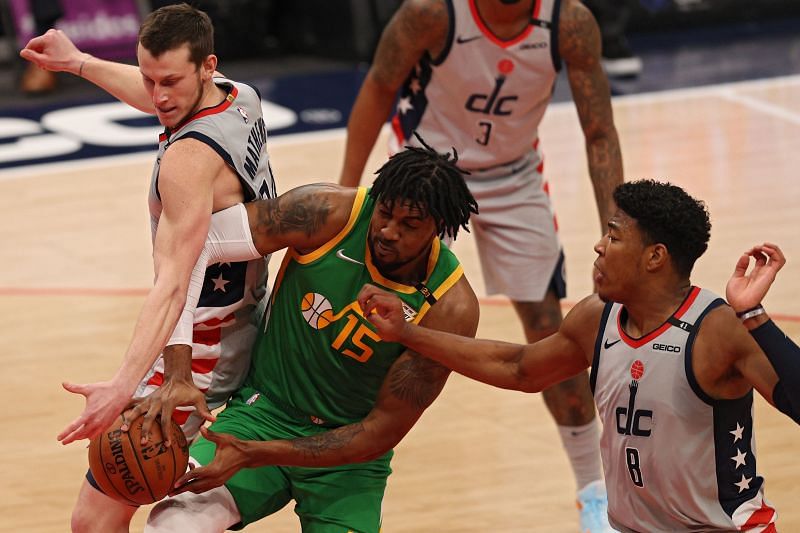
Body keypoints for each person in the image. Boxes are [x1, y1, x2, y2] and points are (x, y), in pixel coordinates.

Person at [359, 179, 800, 531]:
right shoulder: (598, 318)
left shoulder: (715, 329)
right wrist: (409, 333)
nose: (599, 246)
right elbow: (519, 368)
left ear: (655, 257)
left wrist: (752, 314)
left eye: (614, 235)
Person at [339, 0, 623, 529]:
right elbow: (379, 86)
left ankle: (593, 492)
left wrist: (617, 230)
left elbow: (600, 132)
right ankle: (332, 440)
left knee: (550, 333)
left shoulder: (570, 22)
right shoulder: (432, 13)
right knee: (364, 311)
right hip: (425, 174)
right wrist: (349, 195)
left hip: (514, 176)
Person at [136, 140, 481, 532]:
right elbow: (193, 240)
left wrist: (257, 454)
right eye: (384, 212)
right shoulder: (327, 212)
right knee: (172, 524)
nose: (388, 230)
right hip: (263, 412)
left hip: (349, 456)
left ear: (439, 228)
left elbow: (379, 432)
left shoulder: (450, 309)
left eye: (409, 225)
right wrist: (178, 366)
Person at [20, 4, 276, 532]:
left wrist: (122, 385)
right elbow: (156, 95)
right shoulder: (238, 98)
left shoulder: (188, 162)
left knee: (98, 521)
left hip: (199, 358)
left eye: (171, 81)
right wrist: (79, 62)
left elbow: (172, 287)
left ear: (207, 65)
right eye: (149, 78)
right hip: (246, 323)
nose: (158, 96)